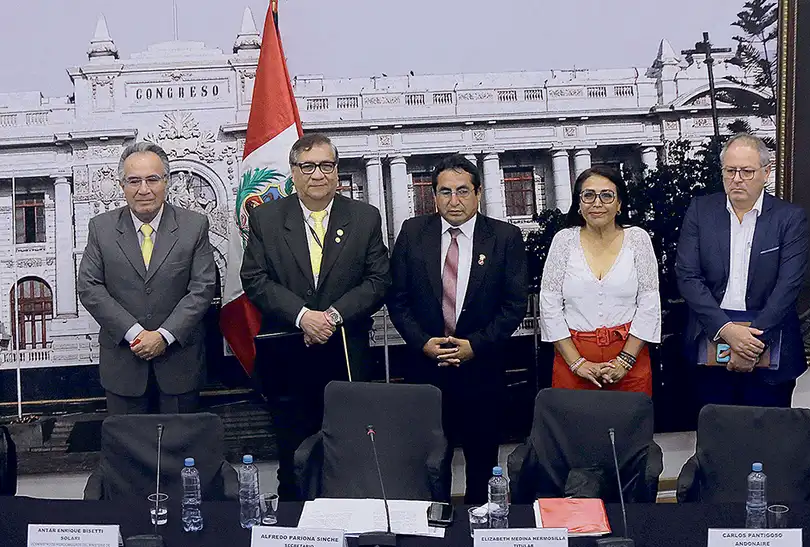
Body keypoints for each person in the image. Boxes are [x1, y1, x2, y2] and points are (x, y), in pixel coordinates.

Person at [241, 133, 390, 500]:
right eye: (307, 166)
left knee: (350, 447)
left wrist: (333, 316)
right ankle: (294, 532)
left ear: (337, 172)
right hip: (288, 355)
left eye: (326, 166)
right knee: (292, 453)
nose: (317, 174)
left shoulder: (364, 217)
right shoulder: (266, 218)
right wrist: (303, 316)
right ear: (293, 173)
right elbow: (254, 279)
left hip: (346, 352)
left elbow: (379, 279)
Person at [387, 155, 528, 504]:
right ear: (433, 196)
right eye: (445, 192)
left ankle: (480, 534)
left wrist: (473, 346)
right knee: (431, 463)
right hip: (426, 371)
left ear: (478, 192)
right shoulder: (412, 233)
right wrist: (423, 343)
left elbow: (513, 306)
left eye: (463, 191)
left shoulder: (505, 237)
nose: (454, 200)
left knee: (482, 464)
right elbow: (397, 298)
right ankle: (436, 538)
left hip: (481, 371)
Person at [78, 141, 216, 414]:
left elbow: (203, 288)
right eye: (134, 181)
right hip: (123, 367)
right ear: (121, 186)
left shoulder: (194, 226)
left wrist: (164, 336)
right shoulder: (101, 228)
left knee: (180, 452)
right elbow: (90, 287)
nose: (144, 189)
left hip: (180, 364)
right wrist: (136, 334)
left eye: (152, 179)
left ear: (166, 181)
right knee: (129, 453)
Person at [675, 134, 808, 407]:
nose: (737, 178)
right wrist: (727, 331)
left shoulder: (789, 218)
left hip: (772, 347)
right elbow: (688, 276)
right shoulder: (701, 211)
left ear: (766, 172)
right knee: (718, 443)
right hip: (710, 346)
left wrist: (749, 345)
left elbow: (788, 286)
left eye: (747, 171)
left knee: (769, 444)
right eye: (730, 171)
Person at [540, 165, 660, 394]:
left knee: (629, 427)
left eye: (607, 195)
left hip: (630, 360)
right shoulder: (563, 241)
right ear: (578, 203)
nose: (597, 203)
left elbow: (649, 304)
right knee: (575, 428)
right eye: (588, 195)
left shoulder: (638, 239)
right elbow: (549, 306)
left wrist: (624, 361)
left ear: (619, 204)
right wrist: (578, 364)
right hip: (572, 360)